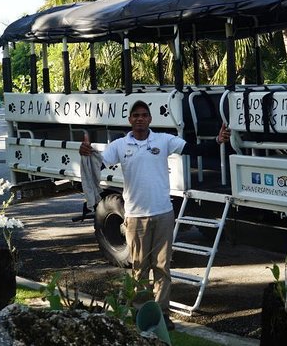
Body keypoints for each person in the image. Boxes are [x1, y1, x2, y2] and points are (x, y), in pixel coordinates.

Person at [79, 99, 230, 329]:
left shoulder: (163, 140)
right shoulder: (120, 145)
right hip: (135, 217)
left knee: (162, 268)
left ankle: (162, 314)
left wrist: (218, 140)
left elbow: (192, 149)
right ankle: (140, 313)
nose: (140, 118)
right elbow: (97, 165)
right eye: (136, 115)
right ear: (130, 120)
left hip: (163, 214)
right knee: (139, 268)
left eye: (144, 115)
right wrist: (86, 154)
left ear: (150, 119)